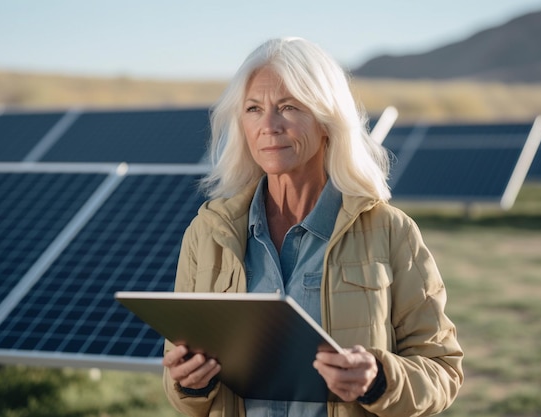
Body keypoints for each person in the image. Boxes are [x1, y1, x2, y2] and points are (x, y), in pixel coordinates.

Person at [162, 37, 463, 417]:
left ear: (326, 120)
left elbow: (442, 371)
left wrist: (379, 380)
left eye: (288, 107)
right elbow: (179, 391)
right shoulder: (208, 234)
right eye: (254, 109)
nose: (268, 126)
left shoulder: (391, 232)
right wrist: (191, 383)